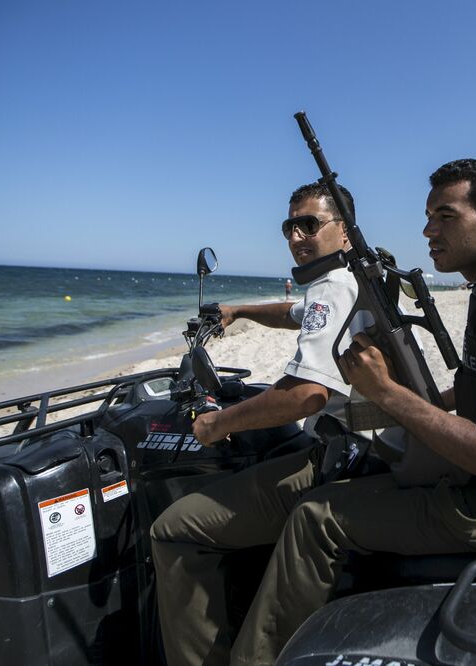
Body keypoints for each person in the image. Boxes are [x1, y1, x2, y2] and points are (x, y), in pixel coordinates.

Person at [229, 158, 476, 663]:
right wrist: (385, 407)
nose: (428, 231)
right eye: (428, 217)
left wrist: (385, 392)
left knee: (314, 518)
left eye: (446, 217)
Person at [151, 181, 371, 666]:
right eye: (289, 226)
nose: (296, 236)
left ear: (345, 231)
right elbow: (295, 313)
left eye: (309, 224)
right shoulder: (355, 280)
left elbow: (306, 394)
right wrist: (240, 310)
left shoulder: (333, 289)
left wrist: (218, 423)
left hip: (341, 461)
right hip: (364, 449)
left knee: (173, 530)